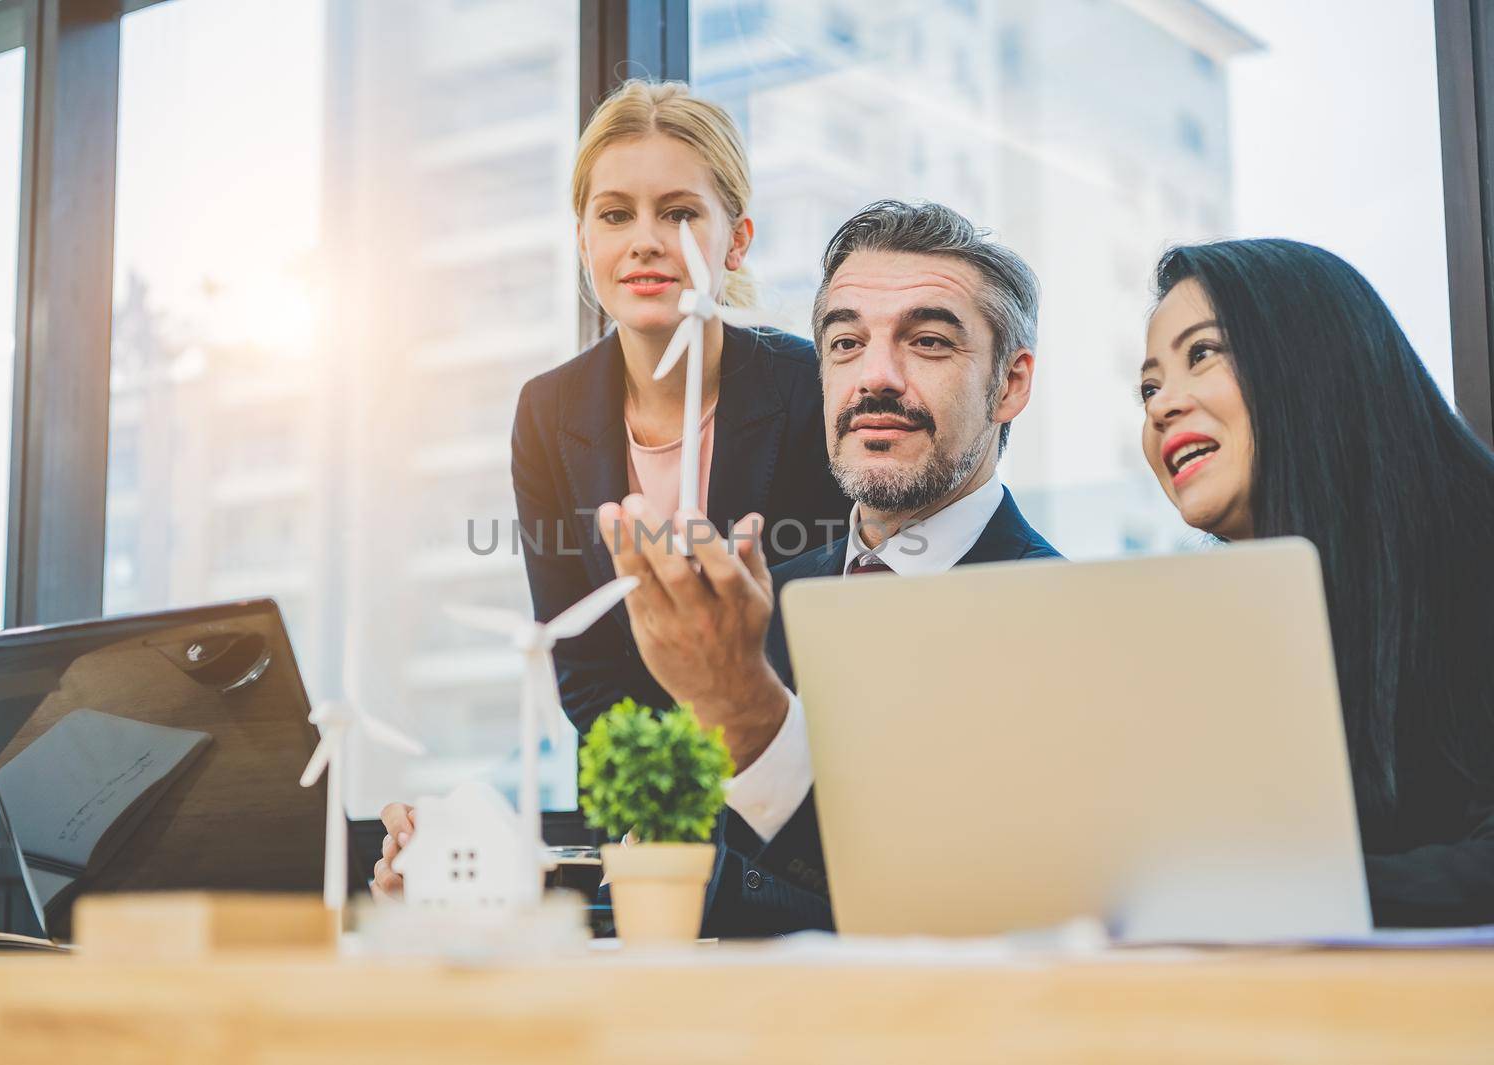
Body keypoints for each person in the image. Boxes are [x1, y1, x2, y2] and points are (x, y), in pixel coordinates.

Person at [370, 81, 848, 901]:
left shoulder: (810, 388)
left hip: (799, 828)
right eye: (616, 214)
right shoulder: (547, 412)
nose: (646, 242)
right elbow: (580, 663)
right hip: (643, 829)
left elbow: (821, 640)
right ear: (582, 239)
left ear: (737, 241)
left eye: (681, 213)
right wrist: (654, 801)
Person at [597, 200, 1059, 935]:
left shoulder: (1067, 623)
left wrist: (750, 717)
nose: (875, 377)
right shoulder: (753, 605)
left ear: (1010, 384)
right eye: (845, 343)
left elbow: (968, 913)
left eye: (929, 342)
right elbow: (699, 885)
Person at [1137, 238, 1494, 928]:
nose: (1160, 407)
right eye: (1149, 386)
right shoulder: (1223, 631)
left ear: (1311, 356)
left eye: (1202, 353)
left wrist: (1279, 895)